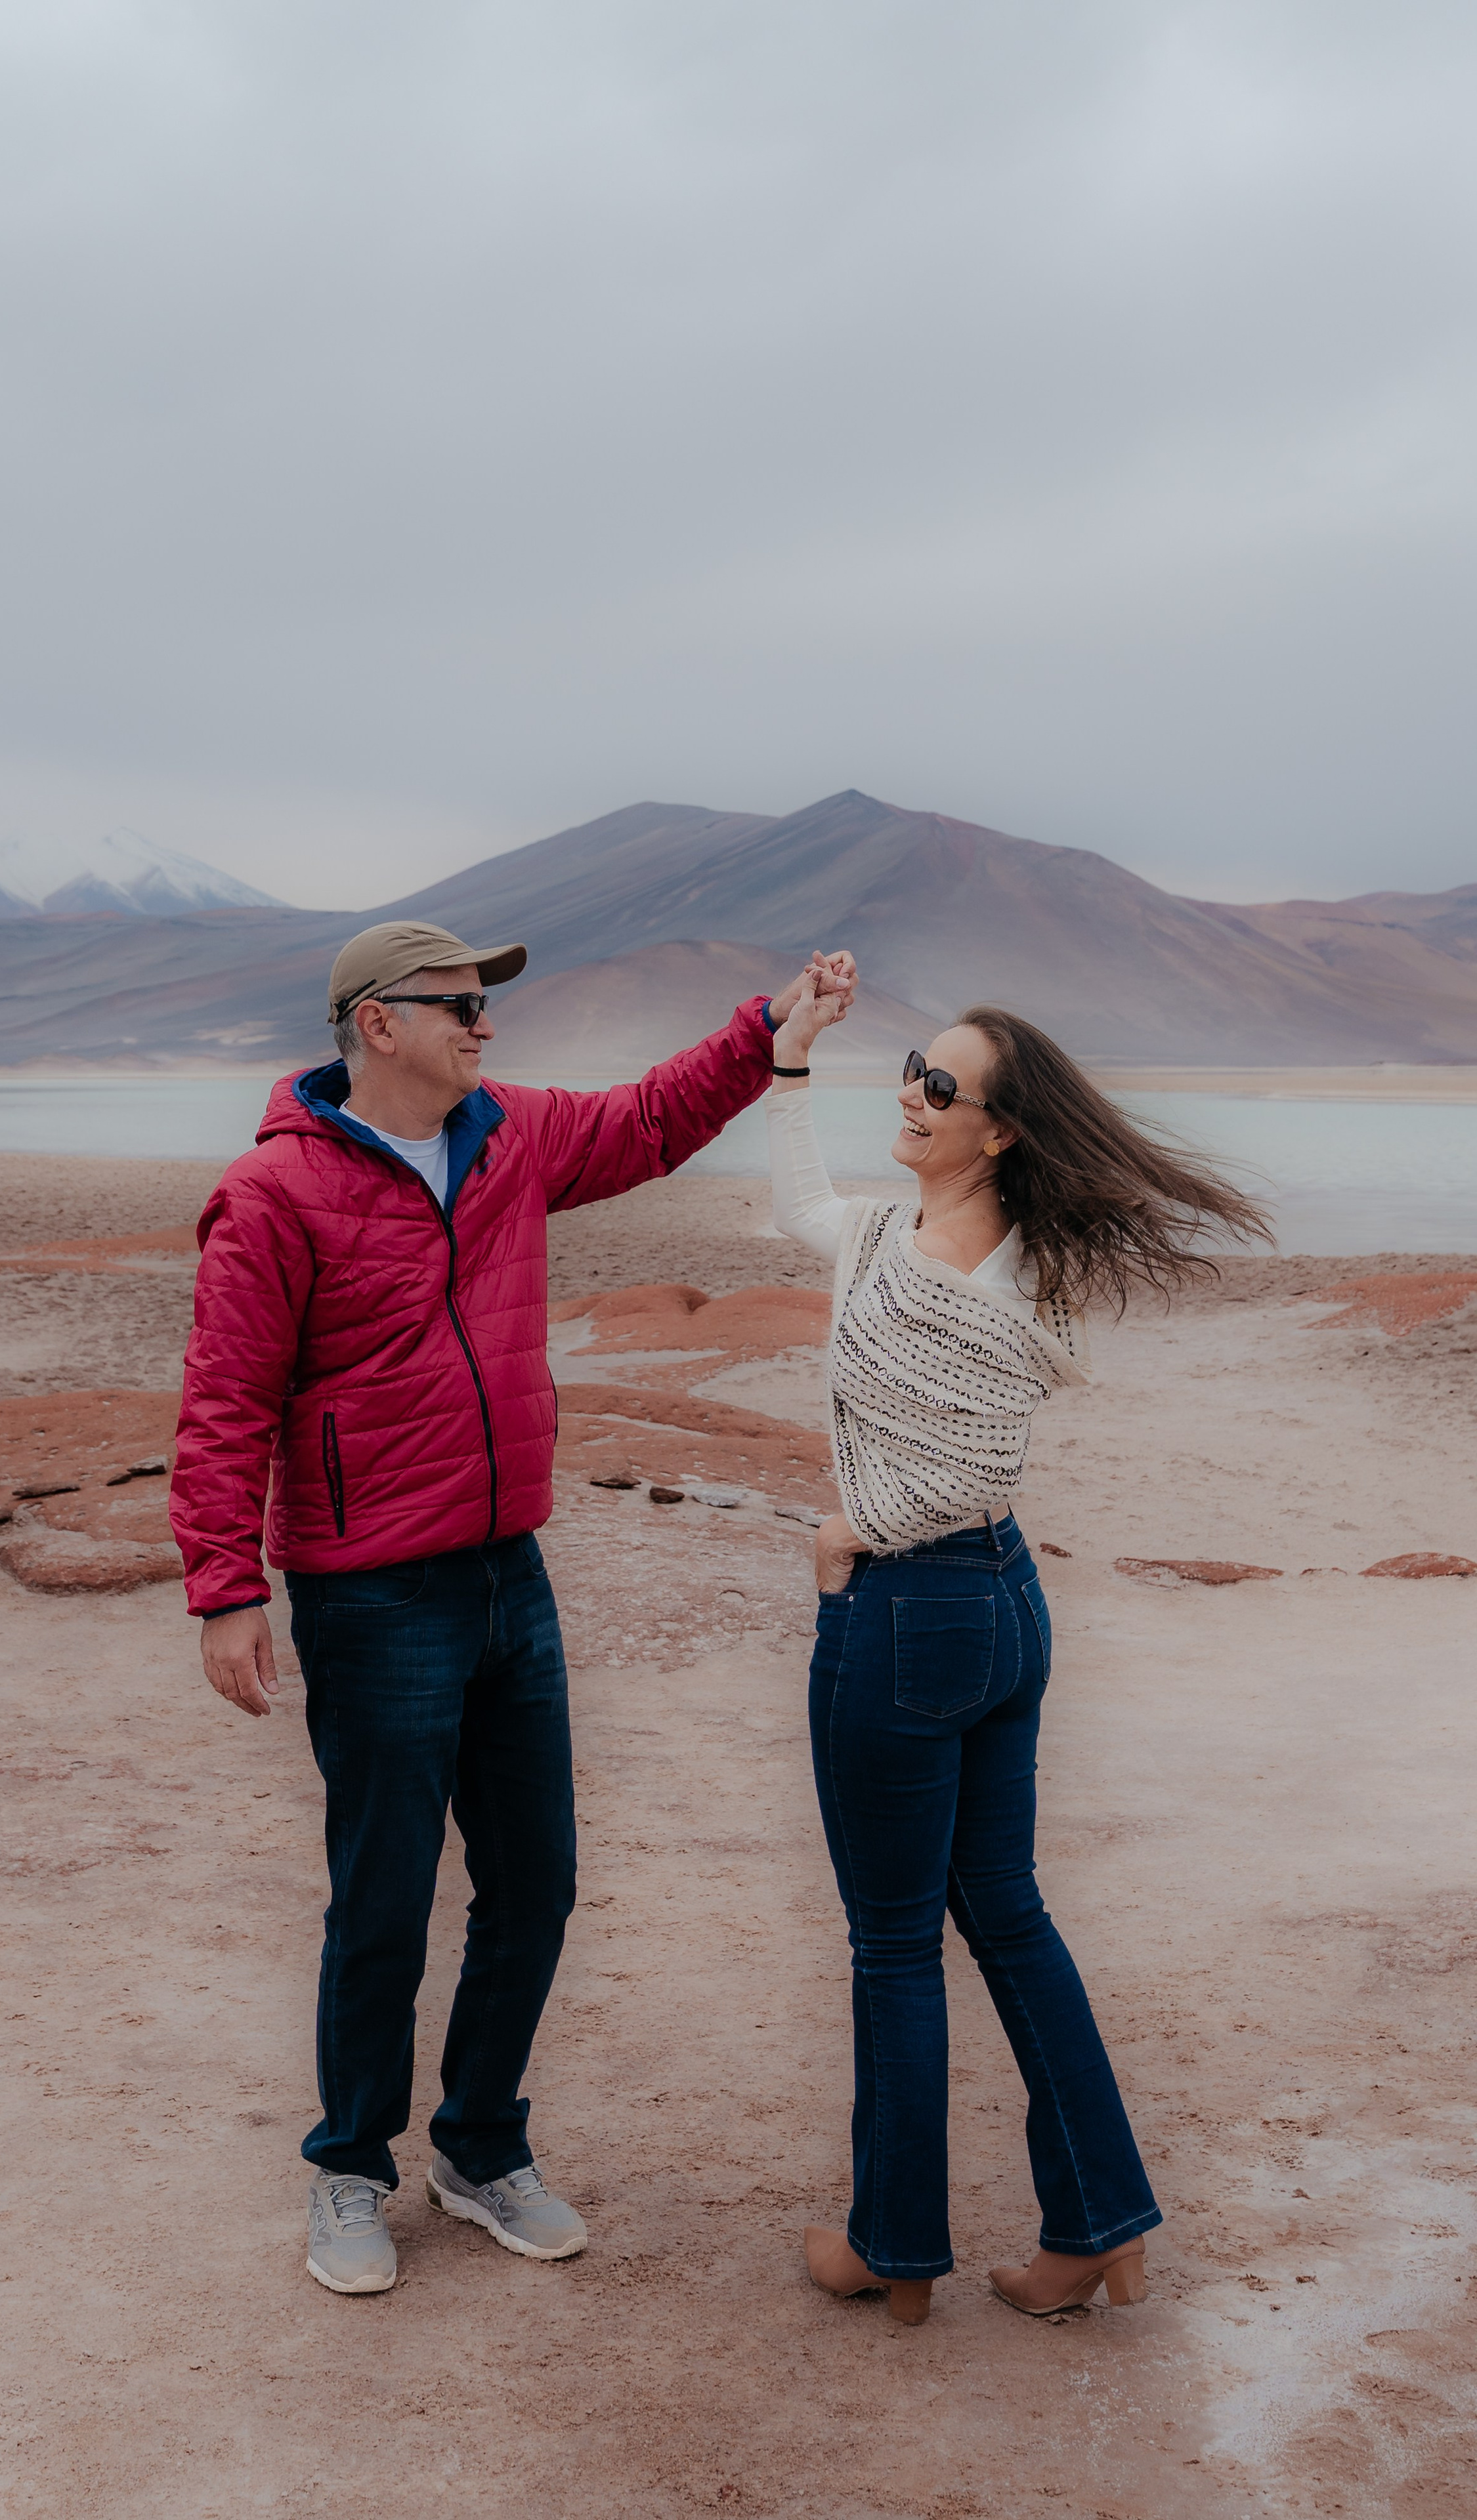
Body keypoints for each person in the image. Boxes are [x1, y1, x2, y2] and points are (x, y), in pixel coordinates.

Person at [170, 917, 857, 2296]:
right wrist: (225, 1587)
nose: (484, 1025)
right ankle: (350, 2167)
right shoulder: (275, 1192)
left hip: (506, 1573)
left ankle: (479, 2145)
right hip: (370, 1593)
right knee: (382, 1899)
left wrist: (765, 1034)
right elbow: (226, 1398)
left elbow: (649, 1120)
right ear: (378, 1024)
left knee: (535, 1883)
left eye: (485, 1005)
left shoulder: (508, 1136)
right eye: (458, 1005)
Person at [766, 978, 1267, 2325]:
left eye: (940, 1085)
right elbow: (806, 1212)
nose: (912, 1091)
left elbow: (971, 1461)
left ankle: (890, 2248)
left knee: (892, 1945)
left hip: (908, 1615)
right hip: (1003, 1604)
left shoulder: (935, 1271)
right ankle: (1096, 2227)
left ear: (996, 1132)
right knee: (1005, 1912)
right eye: (912, 1066)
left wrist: (851, 1527)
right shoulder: (960, 1249)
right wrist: (791, 1063)